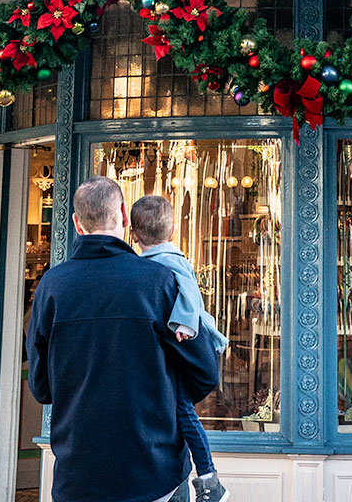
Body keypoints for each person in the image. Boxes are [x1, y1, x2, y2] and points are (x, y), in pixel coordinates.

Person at [26, 176, 221, 502]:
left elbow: (41, 387)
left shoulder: (51, 287)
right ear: (124, 216)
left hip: (78, 476)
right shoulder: (159, 281)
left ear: (77, 223)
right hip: (154, 472)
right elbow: (205, 371)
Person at [130, 194, 229, 502]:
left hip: (181, 350)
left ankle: (210, 479)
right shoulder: (153, 264)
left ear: (132, 235)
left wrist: (184, 324)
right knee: (178, 412)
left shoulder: (169, 261)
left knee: (184, 411)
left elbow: (189, 295)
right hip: (173, 355)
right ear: (172, 229)